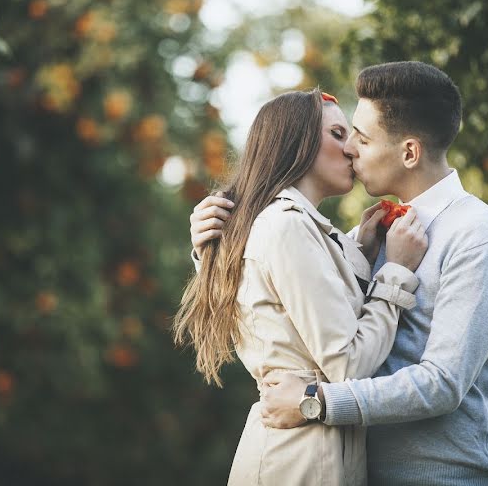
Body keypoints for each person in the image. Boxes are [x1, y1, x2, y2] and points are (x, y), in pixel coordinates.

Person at [190, 62, 488, 485]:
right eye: (345, 134)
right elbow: (277, 315)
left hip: (441, 476)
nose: (351, 148)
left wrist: (317, 402)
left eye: (362, 139)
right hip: (350, 469)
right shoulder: (366, 236)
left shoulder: (480, 238)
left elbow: (442, 383)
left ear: (409, 152)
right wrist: (210, 247)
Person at [173, 89, 428, 486]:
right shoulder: (286, 224)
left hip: (314, 450)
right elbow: (348, 365)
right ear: (299, 143)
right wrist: (395, 272)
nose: (352, 150)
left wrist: (360, 248)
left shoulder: (300, 227)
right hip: (299, 458)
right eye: (340, 134)